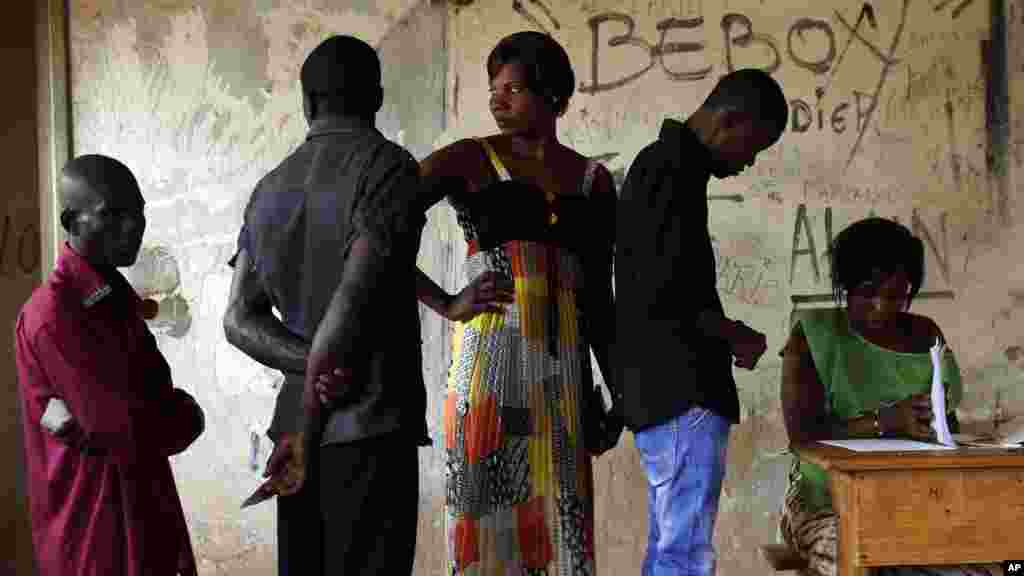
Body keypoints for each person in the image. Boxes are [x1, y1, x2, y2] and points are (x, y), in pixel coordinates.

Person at [334, 30, 619, 575]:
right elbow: (375, 232)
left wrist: (613, 393)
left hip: (563, 383)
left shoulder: (593, 180)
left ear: (553, 94)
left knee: (561, 533)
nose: (497, 99)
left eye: (513, 88)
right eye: (494, 88)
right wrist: (445, 301)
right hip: (490, 373)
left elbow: (599, 302)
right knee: (484, 530)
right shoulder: (469, 158)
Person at [223, 35, 427, 574]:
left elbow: (238, 320)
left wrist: (308, 364)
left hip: (294, 432)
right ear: (377, 97)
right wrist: (326, 366)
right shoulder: (390, 169)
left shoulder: (269, 189)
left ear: (307, 103)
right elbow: (349, 307)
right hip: (366, 427)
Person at [614, 68, 787, 576]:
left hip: (666, 391)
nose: (749, 163)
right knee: (684, 554)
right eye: (751, 148)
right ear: (728, 121)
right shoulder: (668, 171)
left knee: (674, 548)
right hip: (679, 390)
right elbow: (661, 294)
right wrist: (731, 332)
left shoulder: (669, 169)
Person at [779, 217, 1004, 576]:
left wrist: (937, 428)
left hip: (917, 495)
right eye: (868, 292)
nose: (882, 306)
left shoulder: (925, 333)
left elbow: (949, 424)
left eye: (897, 295)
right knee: (847, 552)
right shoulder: (813, 337)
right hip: (826, 501)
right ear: (846, 286)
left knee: (992, 558)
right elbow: (803, 436)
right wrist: (885, 421)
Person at [15, 154, 205, 576]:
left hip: (142, 520)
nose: (133, 225)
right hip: (96, 538)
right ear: (72, 220)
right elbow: (126, 428)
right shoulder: (55, 313)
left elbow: (144, 413)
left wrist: (165, 415)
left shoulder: (116, 300)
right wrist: (186, 414)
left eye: (138, 213)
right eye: (113, 214)